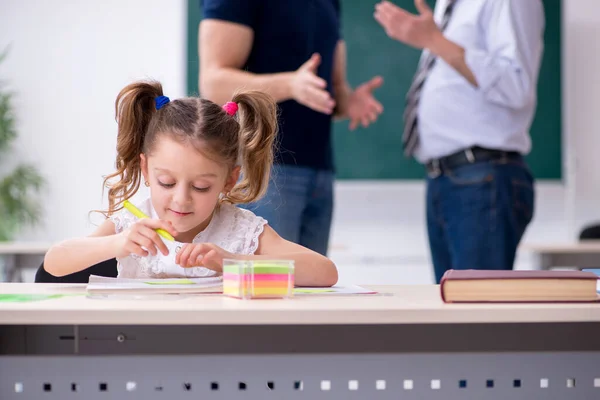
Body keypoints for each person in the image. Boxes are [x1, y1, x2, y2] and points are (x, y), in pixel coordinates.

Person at [44, 80, 338, 287]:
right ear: (146, 169)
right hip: (143, 359)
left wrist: (231, 261)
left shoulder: (240, 230)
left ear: (229, 180)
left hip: (219, 365)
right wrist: (118, 243)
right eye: (166, 182)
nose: (181, 199)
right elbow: (54, 264)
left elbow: (325, 272)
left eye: (200, 187)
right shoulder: (132, 224)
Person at [374, 0, 545, 282]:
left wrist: (434, 40)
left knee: (476, 312)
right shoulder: (449, 4)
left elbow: (517, 86)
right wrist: (435, 41)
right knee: (452, 312)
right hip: (444, 177)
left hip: (483, 176)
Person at [199, 0, 384, 256]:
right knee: (263, 288)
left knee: (311, 288)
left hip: (319, 171)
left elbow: (332, 88)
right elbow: (214, 82)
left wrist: (348, 101)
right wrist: (291, 85)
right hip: (262, 169)